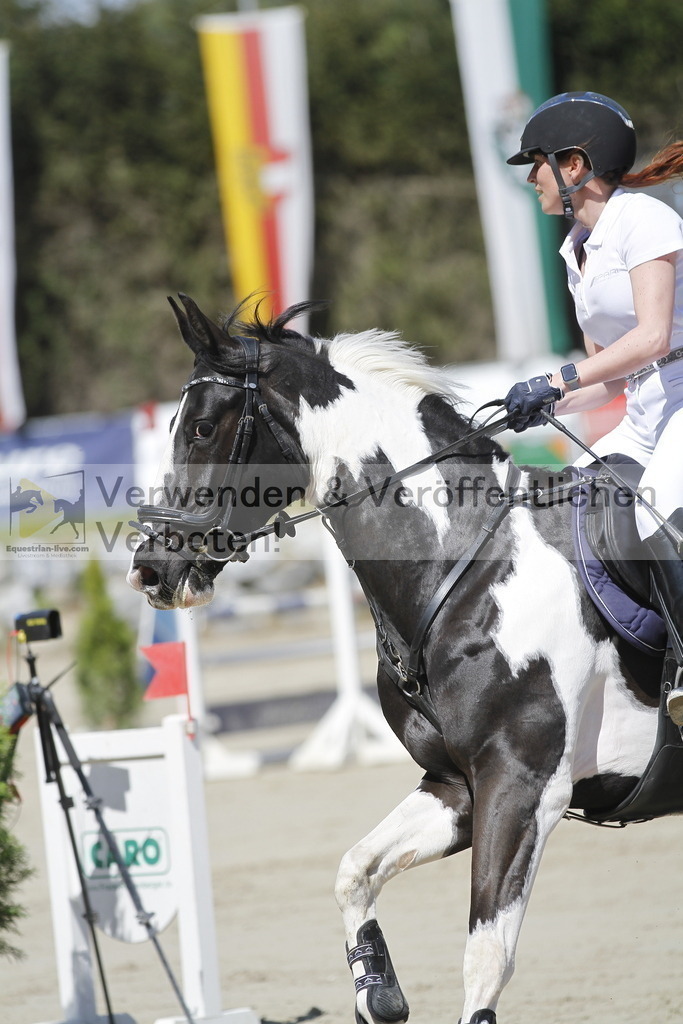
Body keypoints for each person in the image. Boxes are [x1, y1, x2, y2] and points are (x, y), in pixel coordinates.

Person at [503, 91, 683, 723]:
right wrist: (542, 401)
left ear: (574, 165)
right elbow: (606, 377)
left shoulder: (644, 220)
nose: (532, 178)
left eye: (537, 163)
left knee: (656, 515)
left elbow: (653, 338)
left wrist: (558, 378)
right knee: (565, 509)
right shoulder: (576, 248)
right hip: (646, 411)